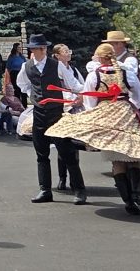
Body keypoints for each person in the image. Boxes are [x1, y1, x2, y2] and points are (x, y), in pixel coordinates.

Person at [47, 43, 140, 215]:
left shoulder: (94, 75)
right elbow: (139, 98)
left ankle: (128, 201)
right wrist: (129, 106)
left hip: (106, 116)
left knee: (117, 161)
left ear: (100, 58)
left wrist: (98, 114)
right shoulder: (127, 73)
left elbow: (90, 103)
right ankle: (137, 194)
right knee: (134, 157)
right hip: (126, 114)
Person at [15, 34, 87, 205]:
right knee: (41, 154)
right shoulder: (27, 66)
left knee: (67, 153)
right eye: (33, 49)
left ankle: (79, 190)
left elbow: (72, 84)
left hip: (56, 113)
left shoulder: (57, 65)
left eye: (37, 48)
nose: (34, 51)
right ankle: (45, 190)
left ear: (43, 49)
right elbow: (22, 84)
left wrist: (85, 91)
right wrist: (33, 95)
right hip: (39, 113)